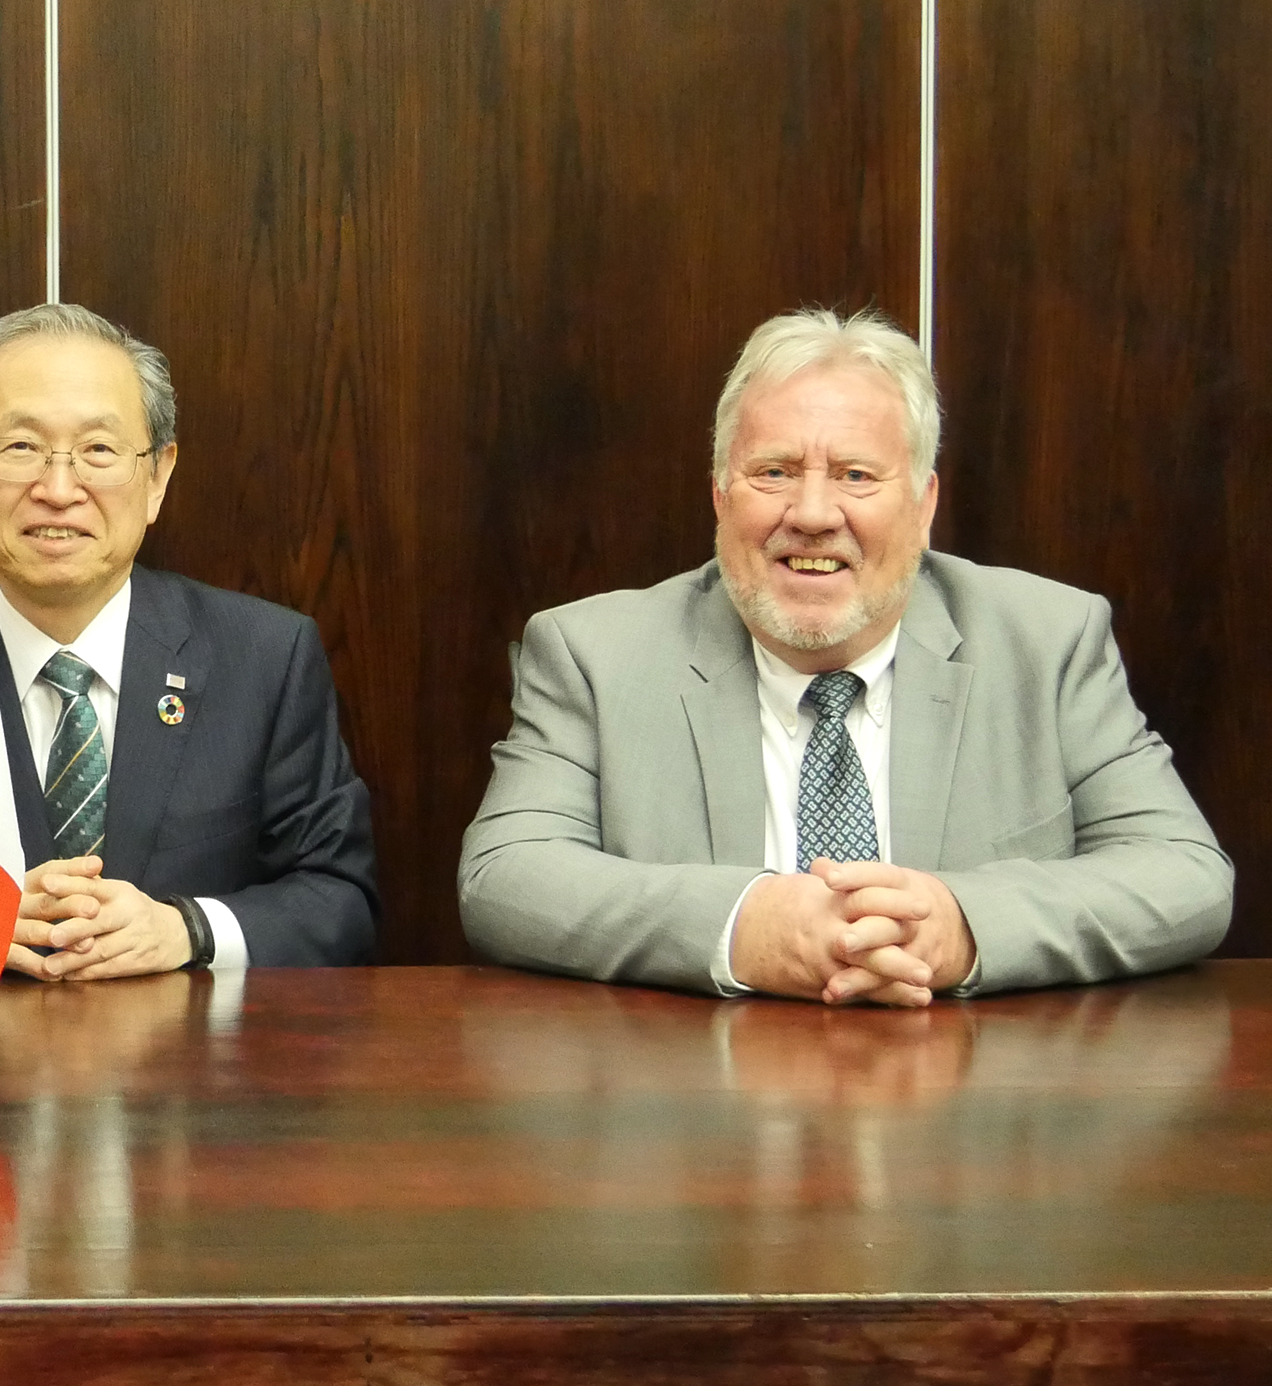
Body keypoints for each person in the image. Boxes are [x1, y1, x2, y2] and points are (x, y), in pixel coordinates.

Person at [461, 307, 1232, 1003]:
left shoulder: (1048, 640)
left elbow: (1185, 877)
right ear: (721, 497)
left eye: (857, 475)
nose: (813, 513)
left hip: (981, 1123)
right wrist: (749, 927)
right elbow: (506, 879)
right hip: (698, 1122)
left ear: (924, 505)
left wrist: (963, 926)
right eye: (775, 471)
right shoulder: (593, 654)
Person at [0, 303, 378, 979]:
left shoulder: (266, 660)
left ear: (157, 476)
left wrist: (189, 929)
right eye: (21, 446)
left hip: (200, 1074)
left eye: (98, 450)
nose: (59, 490)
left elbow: (341, 901)